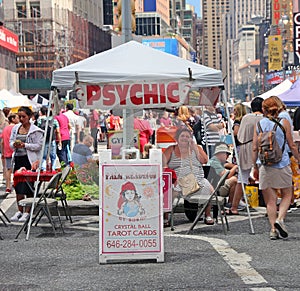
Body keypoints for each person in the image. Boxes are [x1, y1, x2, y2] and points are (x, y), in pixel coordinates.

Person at [252, 96, 300, 240]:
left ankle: (273, 229)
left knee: (270, 200)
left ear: (263, 109)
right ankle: (280, 219)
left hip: (265, 165)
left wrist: (254, 165)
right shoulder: (284, 122)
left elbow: (254, 147)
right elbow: (291, 145)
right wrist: (298, 158)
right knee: (287, 194)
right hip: (282, 163)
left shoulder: (259, 124)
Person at [163, 127, 214, 226]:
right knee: (170, 191)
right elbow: (162, 163)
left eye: (187, 136)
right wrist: (170, 173)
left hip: (197, 179)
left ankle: (208, 215)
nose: (185, 138)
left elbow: (204, 161)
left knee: (210, 189)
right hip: (179, 180)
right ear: (177, 138)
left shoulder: (196, 148)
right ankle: (166, 217)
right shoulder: (171, 149)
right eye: (182, 136)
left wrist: (194, 147)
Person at [228, 97, 264, 215]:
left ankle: (234, 206)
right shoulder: (265, 119)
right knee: (265, 178)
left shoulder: (246, 118)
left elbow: (239, 136)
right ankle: (270, 206)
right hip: (261, 148)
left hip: (245, 148)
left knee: (241, 178)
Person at [9, 107, 44, 222]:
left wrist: (25, 145)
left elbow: (39, 146)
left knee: (28, 185)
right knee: (18, 186)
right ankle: (19, 210)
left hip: (30, 160)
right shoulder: (16, 128)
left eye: (23, 116)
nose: (21, 119)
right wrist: (15, 144)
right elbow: (10, 141)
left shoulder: (36, 130)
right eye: (19, 116)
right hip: (18, 159)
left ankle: (27, 211)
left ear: (29, 116)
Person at [37, 106, 61, 171]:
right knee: (53, 156)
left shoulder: (40, 120)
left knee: (44, 156)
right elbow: (58, 131)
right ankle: (53, 169)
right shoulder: (54, 120)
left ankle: (44, 169)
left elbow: (38, 130)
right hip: (52, 140)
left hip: (44, 140)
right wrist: (59, 141)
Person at [1, 113, 19, 194]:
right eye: (17, 118)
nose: (18, 119)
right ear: (13, 119)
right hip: (16, 151)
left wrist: (3, 152)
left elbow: (2, 142)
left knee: (8, 169)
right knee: (17, 169)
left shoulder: (5, 129)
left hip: (7, 151)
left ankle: (8, 187)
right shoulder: (16, 128)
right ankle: (16, 184)